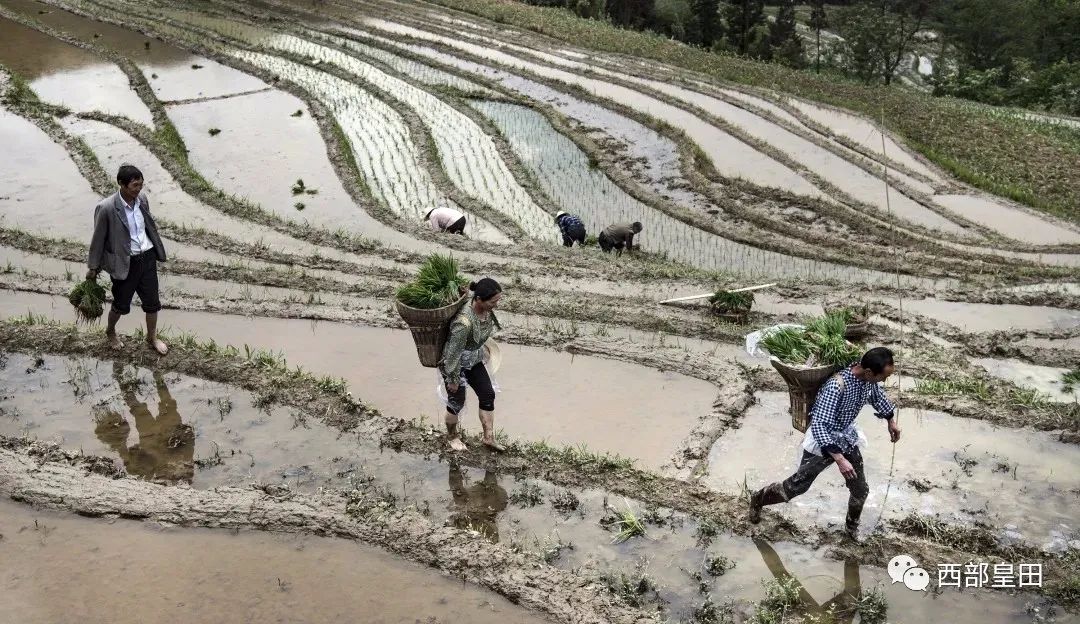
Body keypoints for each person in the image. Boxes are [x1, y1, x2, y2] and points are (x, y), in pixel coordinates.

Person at [747, 347, 901, 539]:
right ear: (869, 372)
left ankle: (851, 530)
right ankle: (759, 498)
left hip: (846, 437)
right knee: (797, 487)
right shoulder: (836, 386)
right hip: (823, 442)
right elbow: (819, 425)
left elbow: (878, 397)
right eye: (883, 377)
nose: (884, 381)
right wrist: (839, 459)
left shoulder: (868, 382)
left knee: (860, 490)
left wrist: (891, 421)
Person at [86, 165, 169, 355]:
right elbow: (98, 240)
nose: (139, 189)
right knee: (121, 304)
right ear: (122, 184)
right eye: (134, 185)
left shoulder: (142, 200)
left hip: (147, 258)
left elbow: (148, 227)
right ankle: (110, 331)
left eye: (141, 184)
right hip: (125, 262)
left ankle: (152, 337)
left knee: (152, 303)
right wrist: (93, 267)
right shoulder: (106, 207)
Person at [439, 278, 504, 452]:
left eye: (498, 300)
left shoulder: (486, 312)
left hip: (473, 359)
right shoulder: (463, 322)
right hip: (455, 364)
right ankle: (452, 437)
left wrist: (483, 349)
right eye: (493, 301)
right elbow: (452, 353)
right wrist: (452, 378)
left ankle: (488, 438)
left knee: (487, 394)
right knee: (456, 402)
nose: (496, 305)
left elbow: (480, 335)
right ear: (479, 299)